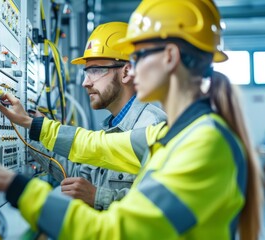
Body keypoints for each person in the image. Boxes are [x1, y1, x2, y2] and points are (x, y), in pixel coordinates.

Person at [0, 0, 262, 239]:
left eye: (138, 56)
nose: (133, 68)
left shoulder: (205, 145)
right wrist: (32, 124)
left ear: (169, 57)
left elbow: (115, 232)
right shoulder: (171, 134)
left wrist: (13, 185)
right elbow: (98, 145)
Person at [28, 21, 166, 210]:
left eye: (95, 70)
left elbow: (157, 205)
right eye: (86, 72)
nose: (85, 82)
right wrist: (32, 129)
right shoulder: (111, 127)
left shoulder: (153, 126)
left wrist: (97, 197)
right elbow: (78, 175)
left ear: (126, 72)